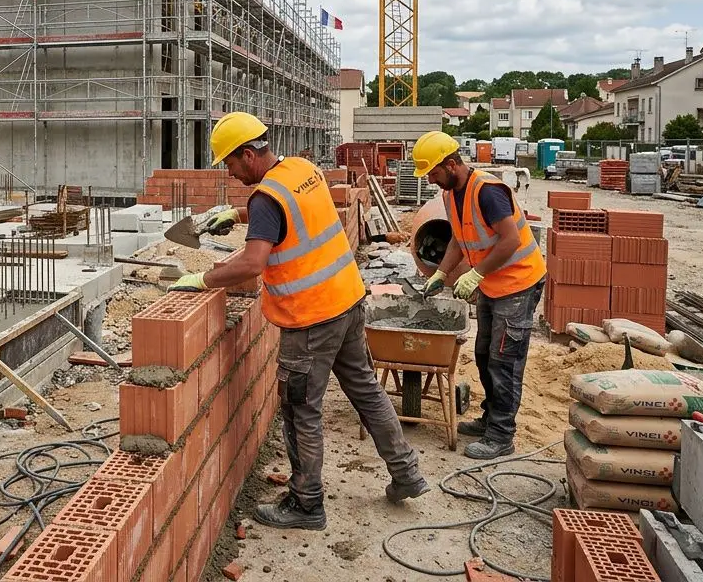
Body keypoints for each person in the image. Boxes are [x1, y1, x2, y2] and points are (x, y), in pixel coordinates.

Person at [170, 112, 428, 531]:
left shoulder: (265, 199)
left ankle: (306, 504)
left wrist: (203, 278)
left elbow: (254, 263)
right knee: (365, 389)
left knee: (300, 410)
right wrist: (237, 217)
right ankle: (407, 473)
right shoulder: (303, 169)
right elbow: (298, 215)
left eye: (230, 164)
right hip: (347, 300)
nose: (230, 173)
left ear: (249, 154)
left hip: (310, 320)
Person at [412, 131, 548, 460]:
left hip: (518, 283)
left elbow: (510, 240)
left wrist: (475, 273)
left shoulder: (488, 192)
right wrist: (442, 273)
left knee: (505, 361)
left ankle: (502, 435)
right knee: (485, 353)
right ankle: (490, 419)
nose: (431, 180)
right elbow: (459, 238)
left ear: (451, 164)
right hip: (492, 284)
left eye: (433, 172)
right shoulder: (450, 194)